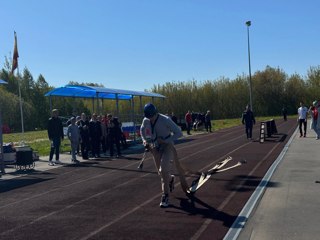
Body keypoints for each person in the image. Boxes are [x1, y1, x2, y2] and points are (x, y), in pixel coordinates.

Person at [140, 103, 184, 208]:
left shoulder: (165, 120)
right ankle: (170, 178)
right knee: (161, 172)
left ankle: (165, 195)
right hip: (155, 147)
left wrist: (165, 140)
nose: (150, 119)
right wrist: (144, 141)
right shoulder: (146, 120)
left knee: (164, 169)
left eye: (152, 117)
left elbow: (179, 133)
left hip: (167, 146)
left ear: (156, 113)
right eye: (148, 117)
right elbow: (142, 131)